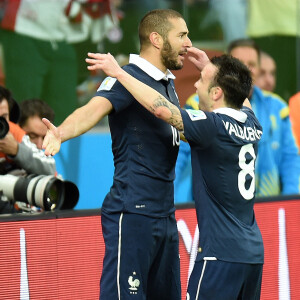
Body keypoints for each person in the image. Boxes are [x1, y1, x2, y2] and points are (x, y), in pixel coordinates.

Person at [86, 49, 264, 299]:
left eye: (202, 80)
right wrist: (211, 66)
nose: (195, 84)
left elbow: (161, 110)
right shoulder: (252, 123)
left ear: (217, 93)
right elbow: (240, 95)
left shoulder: (210, 126)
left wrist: (119, 74)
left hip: (219, 255)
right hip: (253, 255)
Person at [42, 9, 192, 299]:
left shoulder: (166, 82)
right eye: (182, 35)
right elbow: (92, 109)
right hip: (133, 212)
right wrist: (61, 132)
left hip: (165, 215)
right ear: (156, 39)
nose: (188, 43)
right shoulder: (128, 78)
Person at [227, 38, 300, 197]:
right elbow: (181, 162)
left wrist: (291, 201)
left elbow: (291, 158)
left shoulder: (278, 107)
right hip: (219, 210)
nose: (245, 69)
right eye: (238, 63)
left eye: (251, 64)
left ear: (258, 70)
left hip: (267, 207)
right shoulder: (201, 104)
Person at [0, 86, 56, 213]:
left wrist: (16, 150)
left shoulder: (14, 132)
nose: (40, 145)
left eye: (4, 116)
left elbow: (50, 169)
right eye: (33, 136)